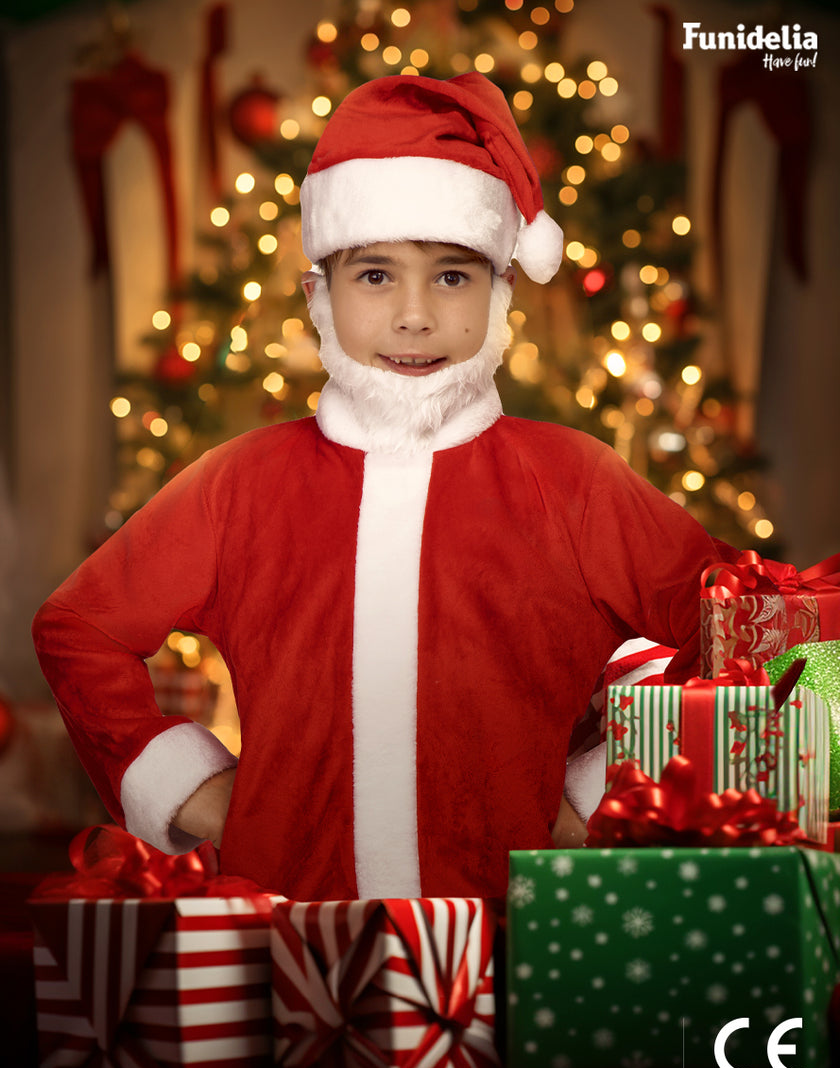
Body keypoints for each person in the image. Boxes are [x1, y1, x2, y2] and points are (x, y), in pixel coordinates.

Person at [32, 73, 736, 901]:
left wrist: (602, 788)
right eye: (374, 276)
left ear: (500, 294)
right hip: (294, 936)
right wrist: (190, 788)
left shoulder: (574, 479)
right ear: (318, 297)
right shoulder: (241, 484)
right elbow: (80, 627)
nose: (414, 315)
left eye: (451, 277)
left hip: (513, 941)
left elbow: (739, 629)